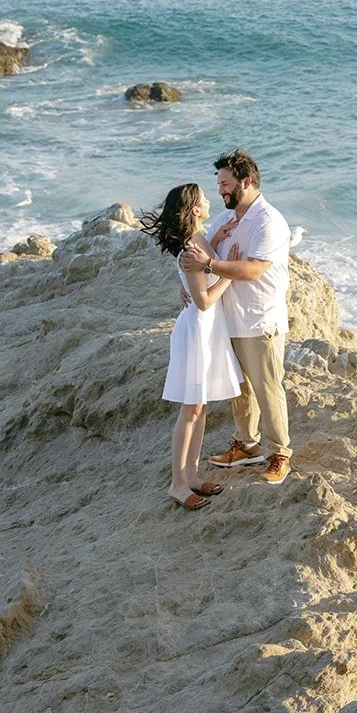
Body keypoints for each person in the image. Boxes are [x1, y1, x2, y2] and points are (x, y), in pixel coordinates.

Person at [180, 149, 292, 485]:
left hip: (260, 319)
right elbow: (203, 248)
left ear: (247, 181)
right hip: (228, 318)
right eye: (218, 185)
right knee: (239, 388)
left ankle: (279, 453)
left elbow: (254, 269)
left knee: (267, 388)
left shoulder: (268, 221)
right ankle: (246, 445)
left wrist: (210, 266)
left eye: (226, 184)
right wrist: (186, 284)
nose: (221, 191)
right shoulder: (227, 219)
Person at [141, 182, 241, 511]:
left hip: (207, 331)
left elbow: (199, 267)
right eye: (204, 199)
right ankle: (177, 484)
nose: (210, 200)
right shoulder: (188, 250)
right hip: (198, 330)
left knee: (201, 409)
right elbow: (203, 301)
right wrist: (231, 273)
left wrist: (217, 239)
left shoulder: (199, 239)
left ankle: (193, 475)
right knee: (190, 411)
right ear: (195, 210)